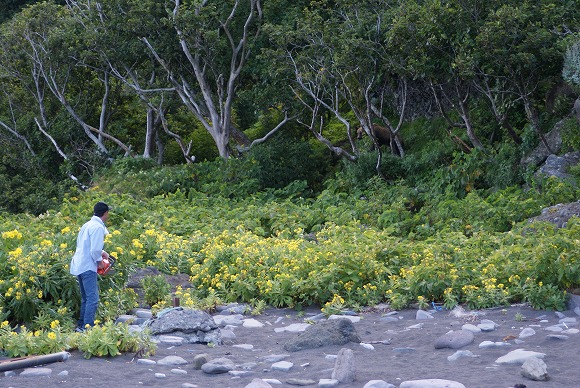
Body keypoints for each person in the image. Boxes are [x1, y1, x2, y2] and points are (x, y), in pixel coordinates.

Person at [70, 201, 111, 331]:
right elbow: (94, 251)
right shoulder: (98, 227)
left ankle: (81, 325)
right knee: (93, 298)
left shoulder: (87, 224)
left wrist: (102, 253)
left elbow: (85, 245)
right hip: (88, 266)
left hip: (79, 264)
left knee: (85, 298)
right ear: (105, 213)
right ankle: (88, 328)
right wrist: (100, 262)